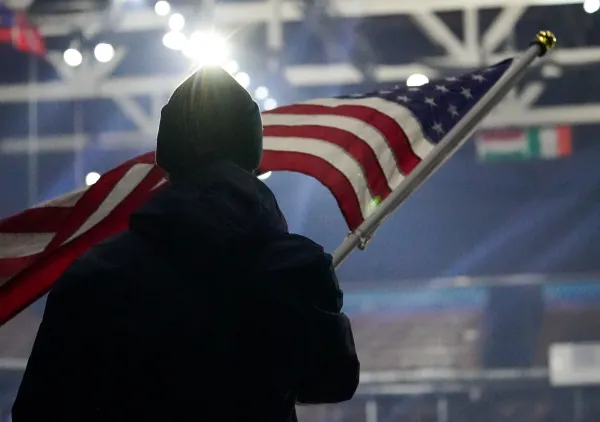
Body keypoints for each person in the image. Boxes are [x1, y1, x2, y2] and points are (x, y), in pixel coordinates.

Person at [12, 66, 360, 422]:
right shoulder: (297, 268)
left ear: (167, 160)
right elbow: (333, 381)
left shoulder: (94, 274)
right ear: (252, 153)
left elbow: (39, 410)